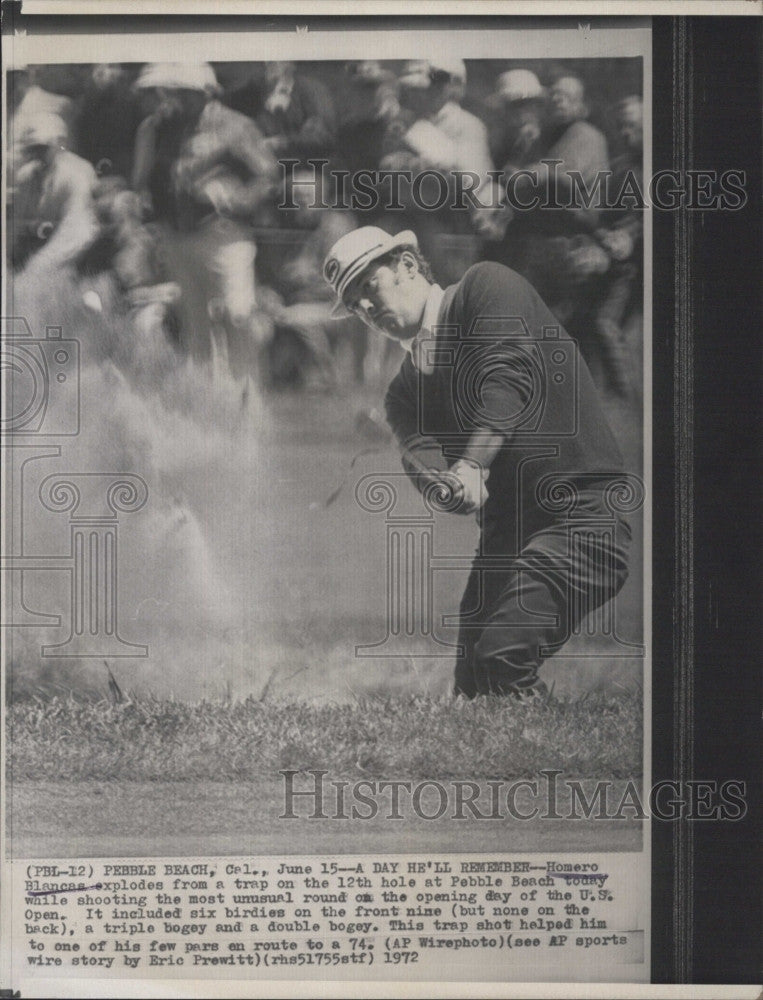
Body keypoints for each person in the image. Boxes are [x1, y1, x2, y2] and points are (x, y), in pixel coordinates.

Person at [323, 226, 631, 698]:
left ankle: (558, 761)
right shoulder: (403, 394)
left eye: (370, 287)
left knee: (501, 659)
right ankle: (536, 746)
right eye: (354, 304)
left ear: (407, 265)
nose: (366, 309)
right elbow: (439, 481)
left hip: (582, 519)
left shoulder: (486, 287)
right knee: (475, 687)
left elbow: (507, 377)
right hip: (507, 535)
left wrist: (471, 466)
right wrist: (438, 477)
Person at [131, 62, 278, 370]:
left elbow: (268, 174)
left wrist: (239, 200)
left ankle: (246, 396)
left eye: (188, 93)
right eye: (174, 92)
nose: (178, 100)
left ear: (209, 93)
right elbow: (143, 181)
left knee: (237, 314)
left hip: (223, 234)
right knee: (194, 321)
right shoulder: (159, 127)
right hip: (176, 233)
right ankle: (206, 402)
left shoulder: (235, 126)